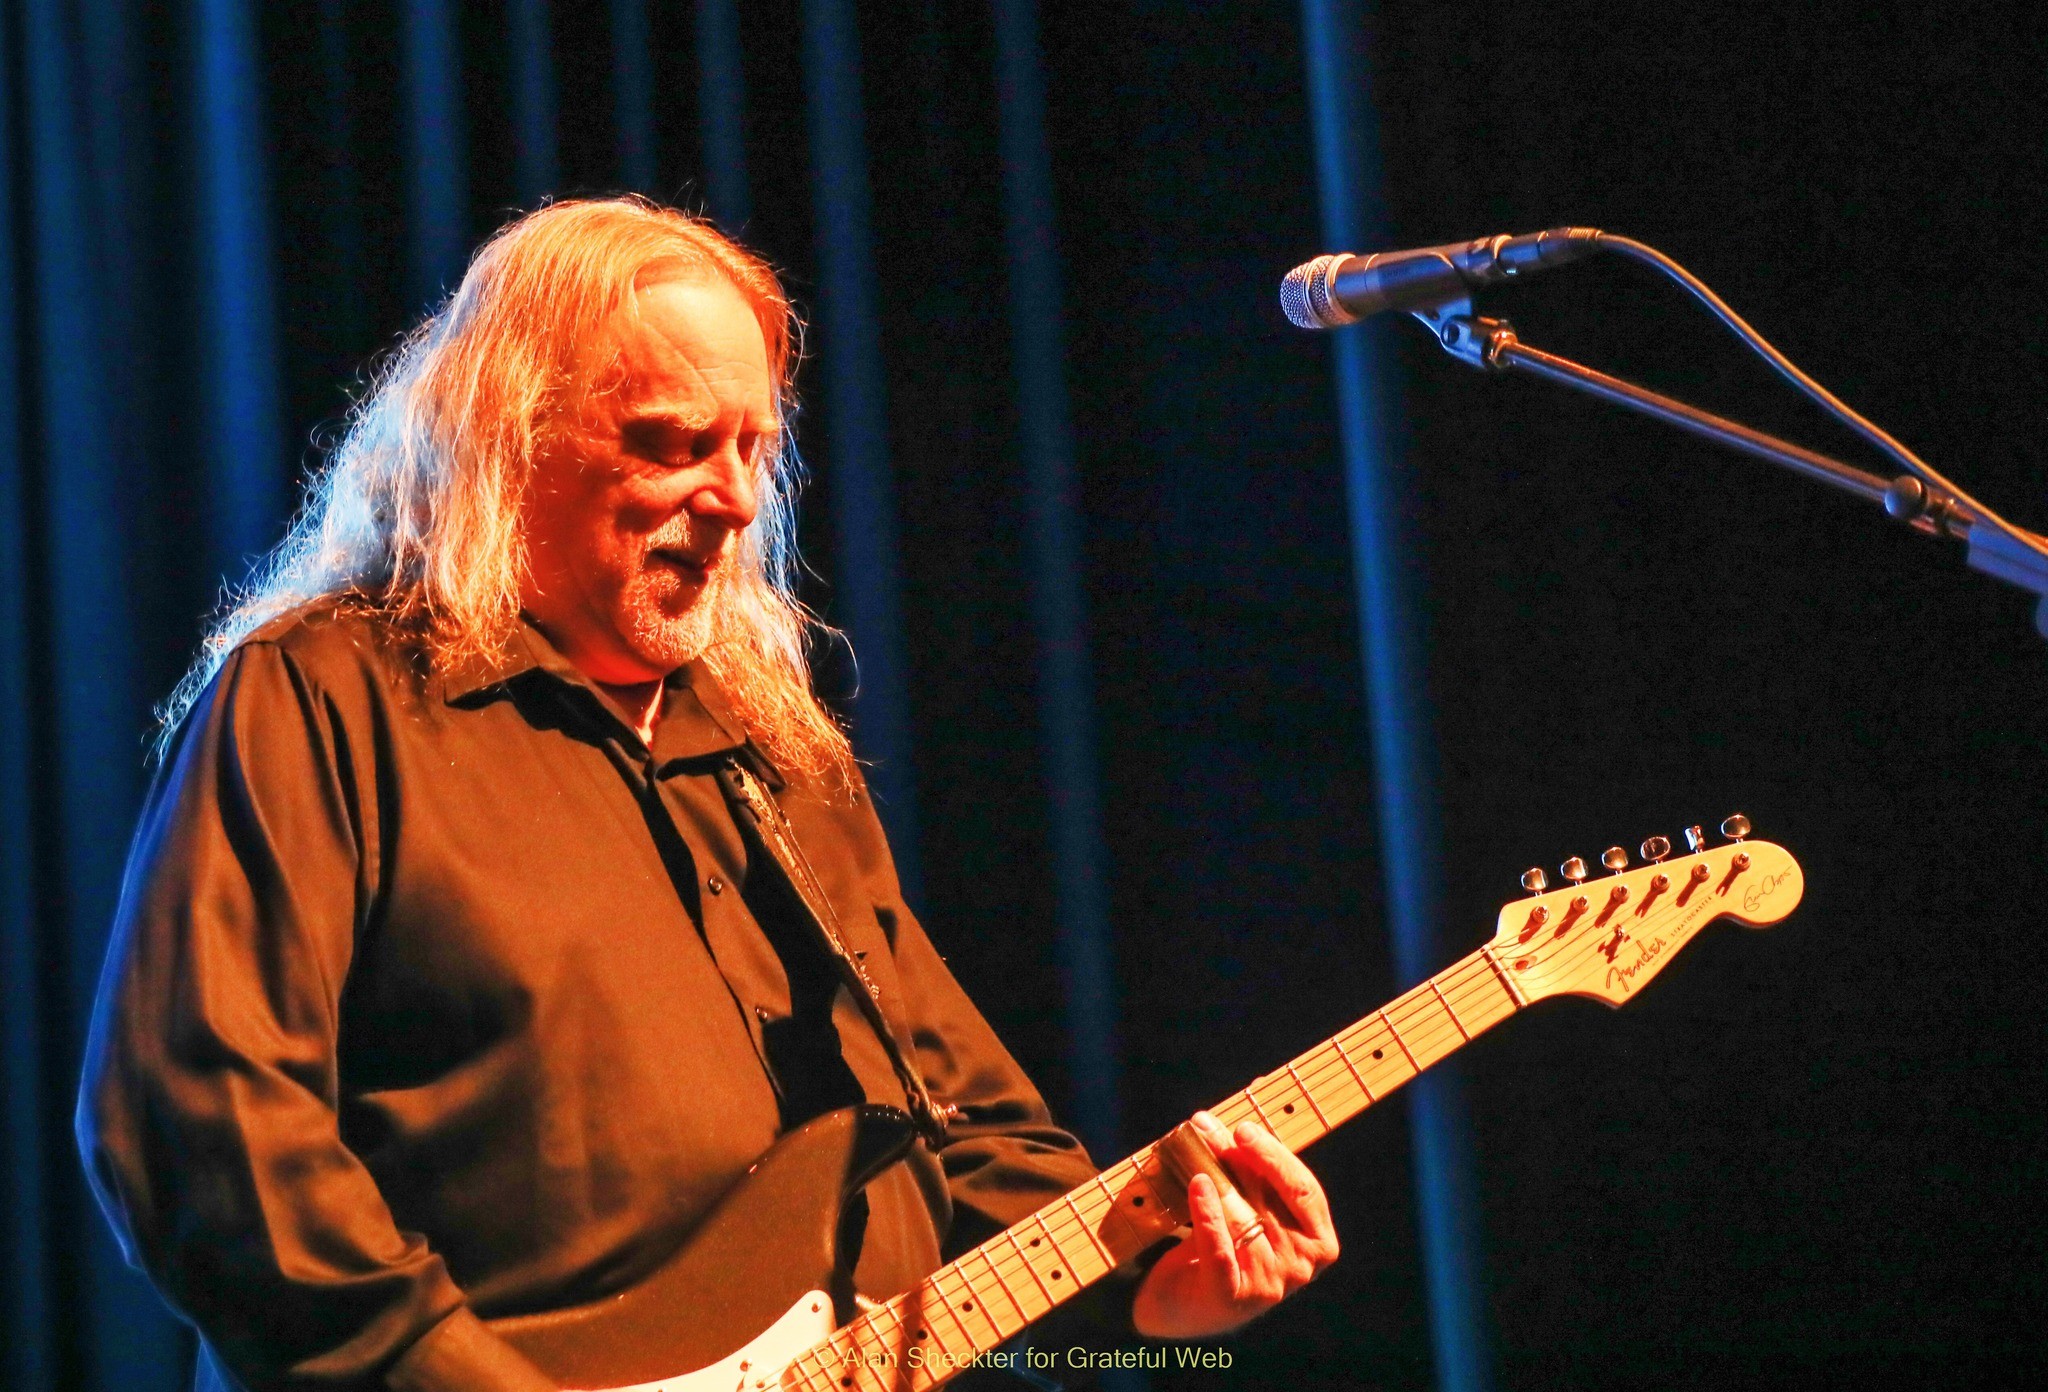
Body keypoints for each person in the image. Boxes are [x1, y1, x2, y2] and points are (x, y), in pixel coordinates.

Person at [76, 197, 1339, 1392]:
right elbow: (206, 1133)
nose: (734, 498)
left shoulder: (775, 754)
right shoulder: (325, 695)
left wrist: (1151, 1295)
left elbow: (962, 1137)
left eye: (752, 449)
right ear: (509, 440)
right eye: (674, 443)